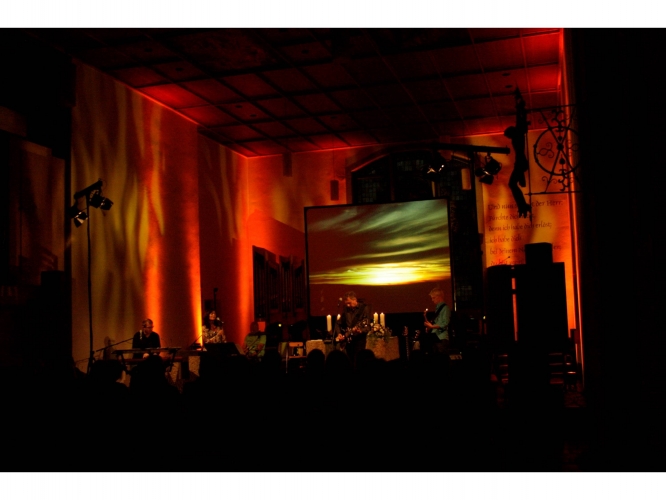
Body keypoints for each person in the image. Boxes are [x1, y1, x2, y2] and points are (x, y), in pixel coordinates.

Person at [333, 291, 370, 366]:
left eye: (349, 303)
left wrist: (361, 331)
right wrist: (339, 333)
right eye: (346, 304)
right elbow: (338, 323)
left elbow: (368, 327)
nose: (348, 305)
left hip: (359, 341)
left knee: (359, 362)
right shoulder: (346, 309)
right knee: (350, 362)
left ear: (355, 300)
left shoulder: (364, 308)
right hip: (349, 342)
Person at [423, 287, 451, 355]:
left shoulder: (445, 308)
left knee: (441, 358)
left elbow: (445, 324)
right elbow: (438, 322)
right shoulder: (438, 308)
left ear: (439, 297)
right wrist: (430, 326)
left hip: (441, 338)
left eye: (434, 298)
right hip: (436, 337)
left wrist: (432, 326)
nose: (432, 300)